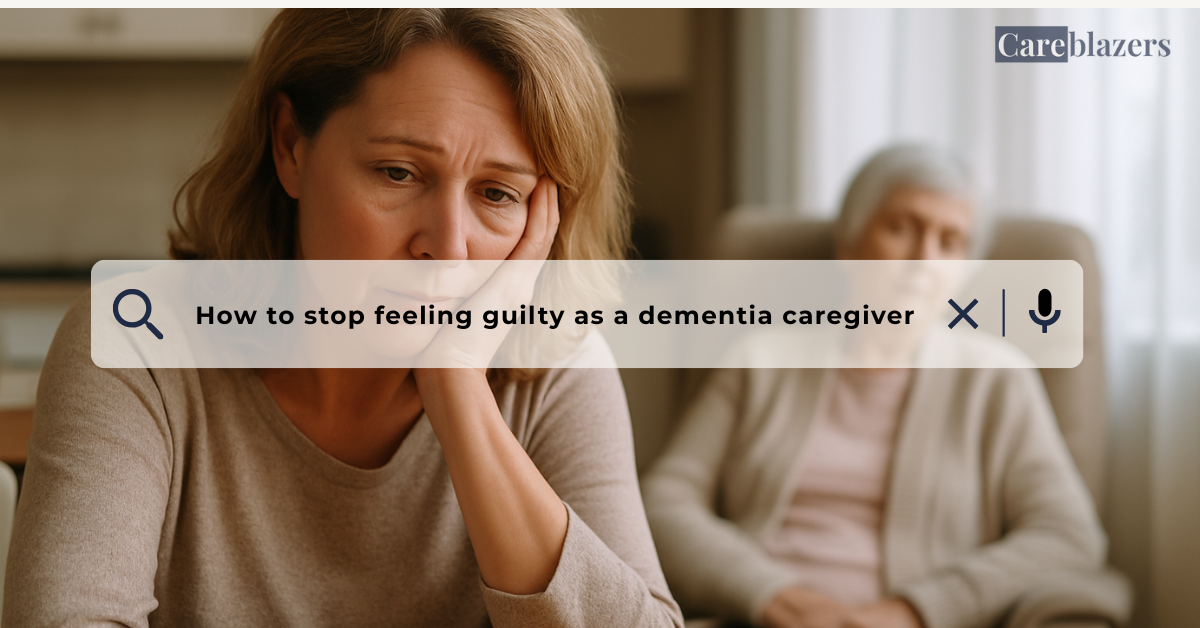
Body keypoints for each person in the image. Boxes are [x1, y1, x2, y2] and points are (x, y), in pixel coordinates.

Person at [5, 9, 683, 627]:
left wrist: (459, 393)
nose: (447, 246)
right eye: (397, 173)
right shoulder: (138, 339)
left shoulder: (554, 367)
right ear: (291, 146)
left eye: (498, 193)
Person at [641, 145, 1129, 628]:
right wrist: (778, 598)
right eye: (901, 229)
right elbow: (664, 500)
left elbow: (1068, 534)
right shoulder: (759, 361)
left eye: (950, 242)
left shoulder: (998, 379)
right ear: (850, 245)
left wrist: (913, 611)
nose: (924, 259)